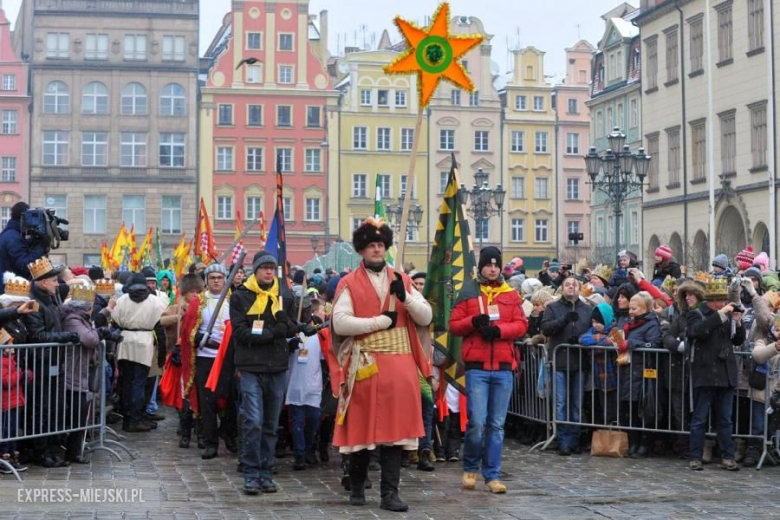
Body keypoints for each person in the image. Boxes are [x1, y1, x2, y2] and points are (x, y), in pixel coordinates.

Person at [331, 218, 432, 512]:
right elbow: (340, 322)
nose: (377, 250)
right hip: (365, 365)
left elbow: (426, 317)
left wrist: (406, 299)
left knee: (395, 433)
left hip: (399, 366)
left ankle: (390, 493)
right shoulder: (348, 282)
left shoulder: (402, 279)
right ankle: (358, 487)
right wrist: (379, 322)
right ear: (362, 250)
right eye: (371, 245)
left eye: (381, 245)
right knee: (362, 431)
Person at [230, 251, 309, 495]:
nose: (268, 271)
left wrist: (305, 328)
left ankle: (266, 471)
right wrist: (273, 333)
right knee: (253, 421)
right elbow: (241, 333)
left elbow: (288, 324)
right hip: (251, 367)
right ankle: (251, 473)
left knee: (270, 425)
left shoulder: (282, 295)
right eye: (264, 267)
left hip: (276, 367)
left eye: (271, 268)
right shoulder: (241, 296)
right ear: (255, 270)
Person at [449, 246, 528, 493]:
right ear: (481, 267)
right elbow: (453, 325)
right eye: (488, 265)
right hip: (477, 368)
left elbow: (521, 325)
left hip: (503, 367)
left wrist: (499, 331)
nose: (492, 269)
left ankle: (492, 474)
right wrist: (473, 322)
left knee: (496, 424)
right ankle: (471, 467)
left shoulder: (510, 294)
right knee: (477, 422)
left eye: (496, 265)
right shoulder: (470, 291)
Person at [686, 277, 744, 471]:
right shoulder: (697, 315)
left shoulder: (727, 316)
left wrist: (738, 323)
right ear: (710, 300)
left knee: (725, 419)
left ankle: (728, 457)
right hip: (706, 374)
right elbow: (698, 332)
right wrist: (720, 314)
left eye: (724, 300)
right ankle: (695, 456)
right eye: (719, 300)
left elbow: (737, 341)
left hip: (726, 374)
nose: (723, 303)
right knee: (700, 418)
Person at [540, 276, 592, 455]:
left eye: (574, 285)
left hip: (579, 361)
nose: (571, 288)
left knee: (577, 403)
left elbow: (592, 331)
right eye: (568, 285)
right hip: (560, 360)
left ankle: (574, 439)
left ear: (580, 288)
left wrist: (580, 339)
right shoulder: (553, 308)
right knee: (561, 402)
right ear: (562, 288)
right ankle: (562, 440)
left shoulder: (586, 309)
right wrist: (564, 320)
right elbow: (546, 328)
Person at [111, 272, 168, 433]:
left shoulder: (122, 300)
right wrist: (162, 354)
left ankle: (129, 416)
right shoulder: (155, 302)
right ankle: (135, 418)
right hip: (144, 342)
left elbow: (115, 321)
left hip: (126, 340)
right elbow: (159, 327)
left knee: (127, 382)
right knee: (139, 383)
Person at [611, 291, 662, 457]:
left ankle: (644, 443)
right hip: (628, 370)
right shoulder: (629, 323)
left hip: (643, 372)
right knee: (629, 410)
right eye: (630, 308)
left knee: (643, 409)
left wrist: (630, 343)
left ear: (644, 308)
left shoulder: (652, 324)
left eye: (634, 308)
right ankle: (633, 441)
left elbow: (654, 344)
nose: (630, 311)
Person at [579, 303, 616, 425]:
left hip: (614, 377)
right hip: (600, 379)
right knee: (605, 410)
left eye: (598, 322)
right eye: (593, 322)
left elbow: (616, 341)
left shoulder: (615, 329)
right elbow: (583, 339)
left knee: (614, 410)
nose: (595, 325)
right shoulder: (593, 331)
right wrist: (604, 340)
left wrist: (595, 344)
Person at [0, 328, 31, 474]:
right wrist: (19, 374)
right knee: (5, 432)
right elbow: (6, 380)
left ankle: (12, 456)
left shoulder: (11, 361)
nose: (12, 348)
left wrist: (27, 375)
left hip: (13, 402)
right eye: (9, 345)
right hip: (5, 404)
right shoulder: (2, 362)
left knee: (12, 432)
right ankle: (4, 457)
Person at [0, 203, 49, 290]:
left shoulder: (9, 234)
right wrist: (41, 247)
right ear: (25, 217)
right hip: (12, 293)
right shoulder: (14, 238)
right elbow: (25, 265)